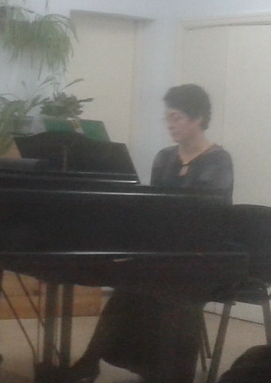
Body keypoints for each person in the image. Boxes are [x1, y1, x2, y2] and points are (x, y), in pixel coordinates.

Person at [64, 84, 234, 383]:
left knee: (167, 284)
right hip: (165, 251)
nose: (170, 124)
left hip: (202, 254)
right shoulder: (164, 157)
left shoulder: (218, 160)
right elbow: (154, 207)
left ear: (198, 118)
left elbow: (209, 215)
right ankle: (97, 361)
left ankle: (166, 371)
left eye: (176, 117)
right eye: (167, 118)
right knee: (130, 281)